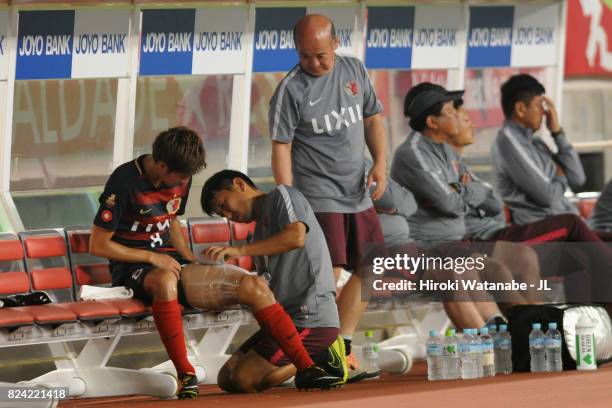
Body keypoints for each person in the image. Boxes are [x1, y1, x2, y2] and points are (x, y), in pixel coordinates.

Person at [90, 128, 341, 399]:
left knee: (250, 284)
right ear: (161, 165)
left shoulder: (184, 181)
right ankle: (186, 373)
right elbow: (98, 245)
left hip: (173, 265)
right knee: (164, 280)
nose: (184, 182)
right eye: (181, 177)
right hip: (136, 268)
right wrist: (152, 256)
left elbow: (171, 219)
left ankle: (309, 366)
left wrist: (187, 257)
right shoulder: (125, 181)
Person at [269, 13, 387, 379]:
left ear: (336, 43)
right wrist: (289, 201)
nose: (314, 63)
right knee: (326, 275)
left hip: (358, 192)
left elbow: (372, 119)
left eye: (321, 55)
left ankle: (343, 345)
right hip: (318, 195)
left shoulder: (354, 70)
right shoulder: (290, 89)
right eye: (306, 56)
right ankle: (320, 354)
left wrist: (381, 162)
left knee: (371, 268)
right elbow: (281, 147)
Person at [200, 170, 347, 392]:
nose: (227, 215)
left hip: (310, 318)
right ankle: (311, 360)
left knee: (243, 379)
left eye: (223, 204)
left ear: (240, 184)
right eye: (221, 213)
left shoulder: (282, 195)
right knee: (226, 378)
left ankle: (317, 357)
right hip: (286, 321)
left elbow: (295, 237)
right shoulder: (258, 235)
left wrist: (238, 250)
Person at [491, 74, 586, 225]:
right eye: (539, 105)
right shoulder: (507, 142)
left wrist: (557, 133)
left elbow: (578, 179)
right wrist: (560, 176)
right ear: (520, 109)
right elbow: (547, 196)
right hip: (544, 227)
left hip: (567, 222)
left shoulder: (537, 143)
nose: (544, 112)